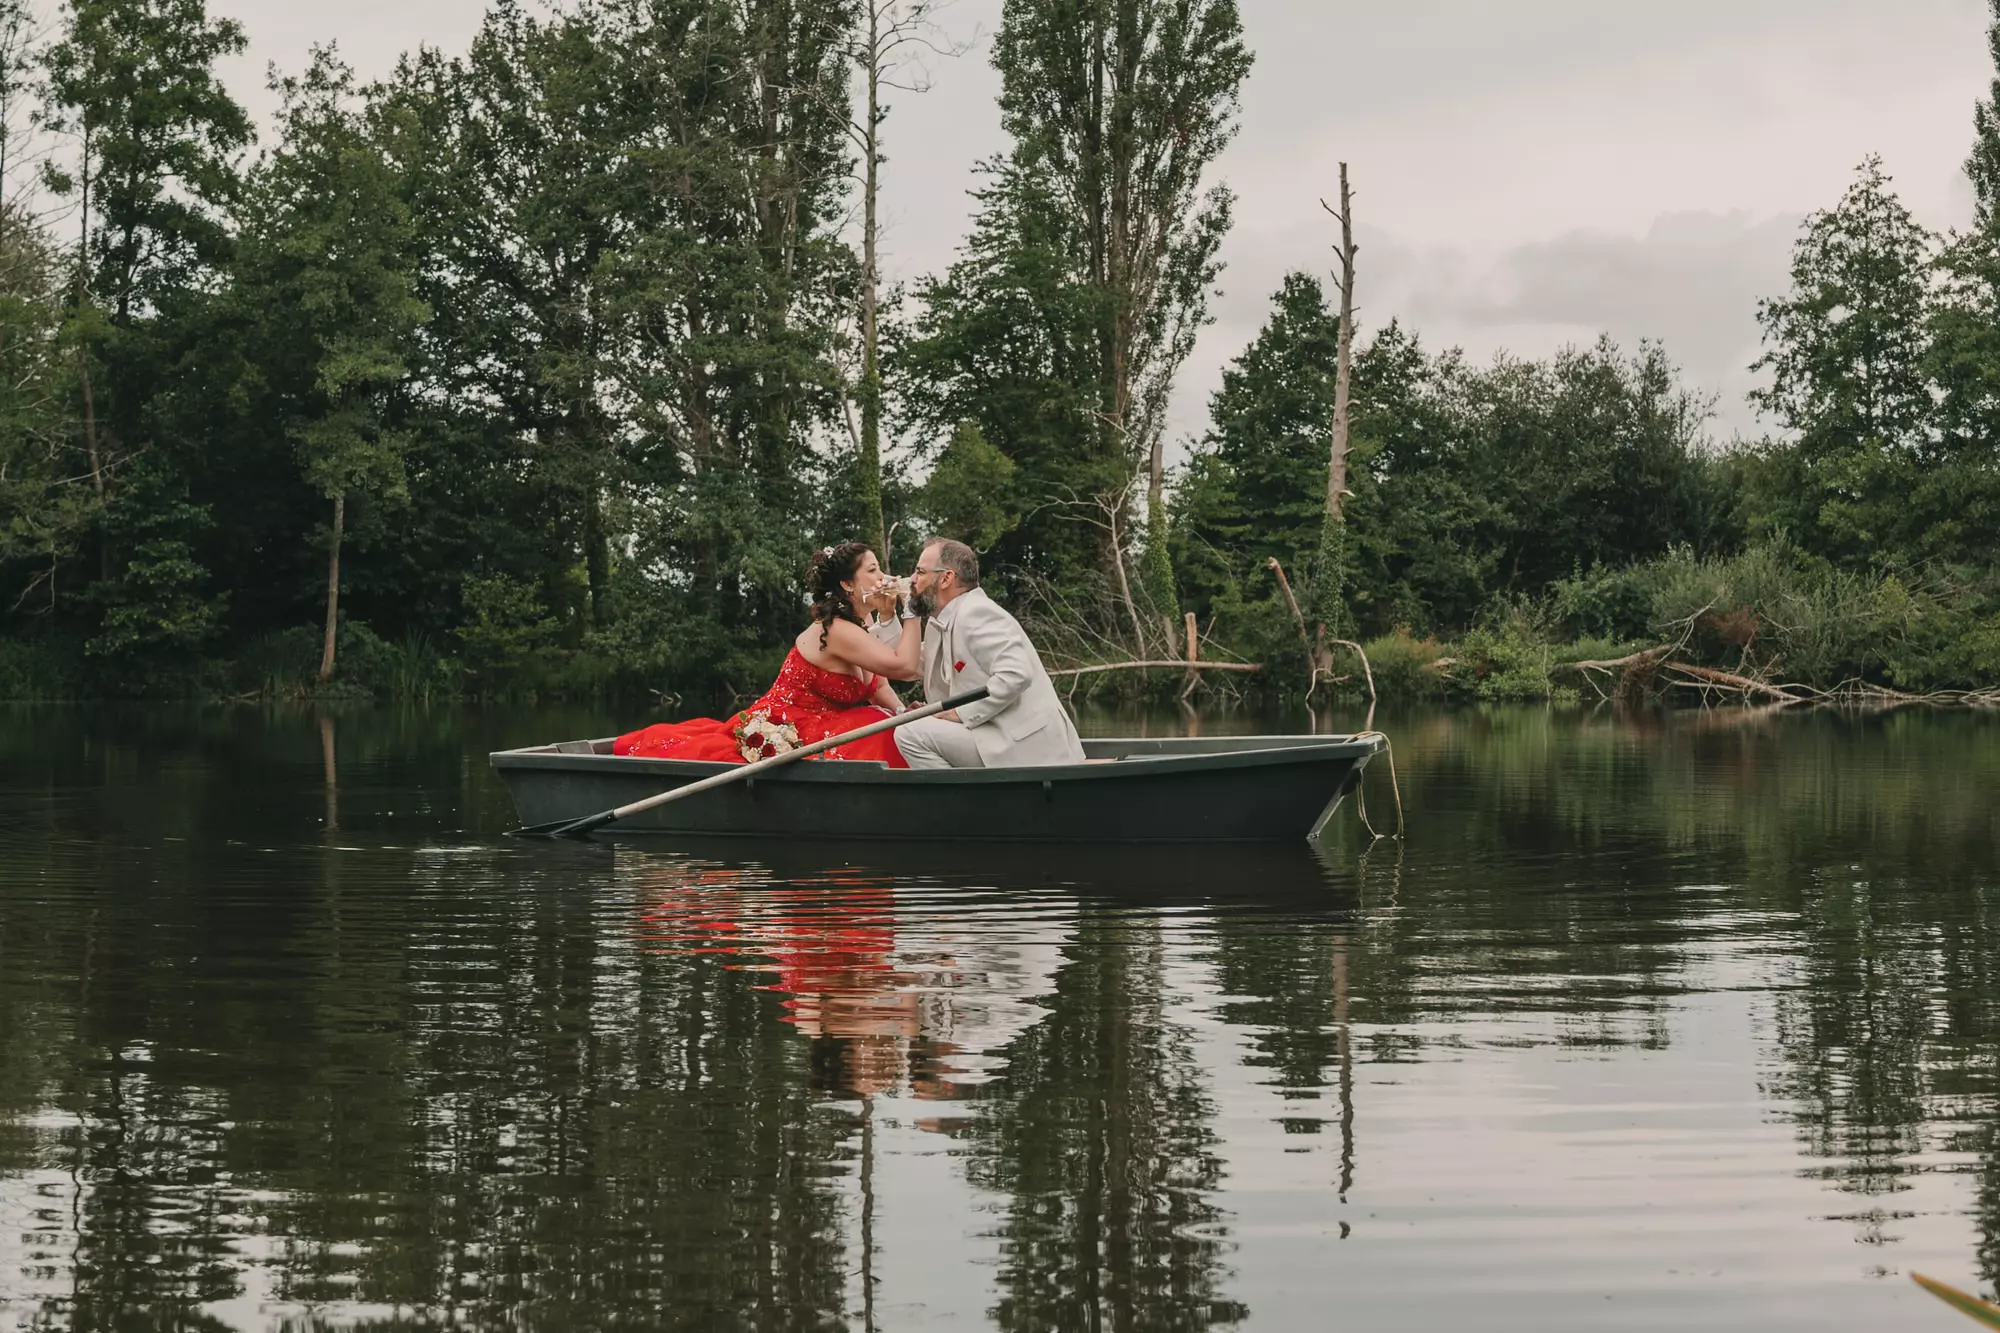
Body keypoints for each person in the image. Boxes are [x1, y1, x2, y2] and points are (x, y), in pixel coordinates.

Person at [613, 541, 922, 765]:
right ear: (847, 584)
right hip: (788, 724)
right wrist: (911, 607)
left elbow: (879, 686)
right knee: (877, 728)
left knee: (886, 722)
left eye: (880, 568)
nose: (884, 577)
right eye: (873, 570)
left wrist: (903, 713)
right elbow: (904, 667)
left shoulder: (865, 620)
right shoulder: (838, 630)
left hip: (830, 722)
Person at [893, 538, 1086, 770]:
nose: (912, 580)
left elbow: (1016, 674)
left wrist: (957, 713)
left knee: (909, 733)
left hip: (1025, 746)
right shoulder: (940, 622)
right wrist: (886, 617)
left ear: (946, 578)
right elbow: (907, 664)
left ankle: (958, 805)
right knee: (914, 724)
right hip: (991, 736)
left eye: (920, 572)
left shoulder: (976, 613)